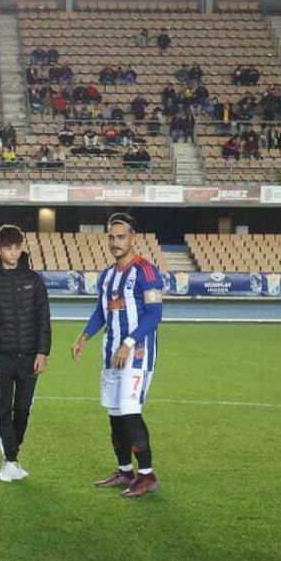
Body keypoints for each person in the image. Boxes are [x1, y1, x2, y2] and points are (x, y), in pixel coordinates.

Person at [70, 213, 164, 498]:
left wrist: (128, 342)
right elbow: (101, 311)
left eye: (121, 236)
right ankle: (125, 471)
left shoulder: (147, 271)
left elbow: (154, 314)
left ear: (133, 238)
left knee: (130, 412)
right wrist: (84, 336)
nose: (115, 242)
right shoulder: (108, 275)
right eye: (111, 237)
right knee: (114, 415)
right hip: (110, 355)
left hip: (136, 355)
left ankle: (147, 475)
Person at [0, 225, 52, 482]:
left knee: (23, 410)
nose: (13, 252)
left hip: (30, 357)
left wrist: (43, 352)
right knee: (4, 410)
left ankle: (13, 454)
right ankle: (9, 460)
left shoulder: (34, 280)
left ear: (22, 247)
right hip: (1, 358)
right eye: (8, 248)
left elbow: (44, 319)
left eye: (17, 247)